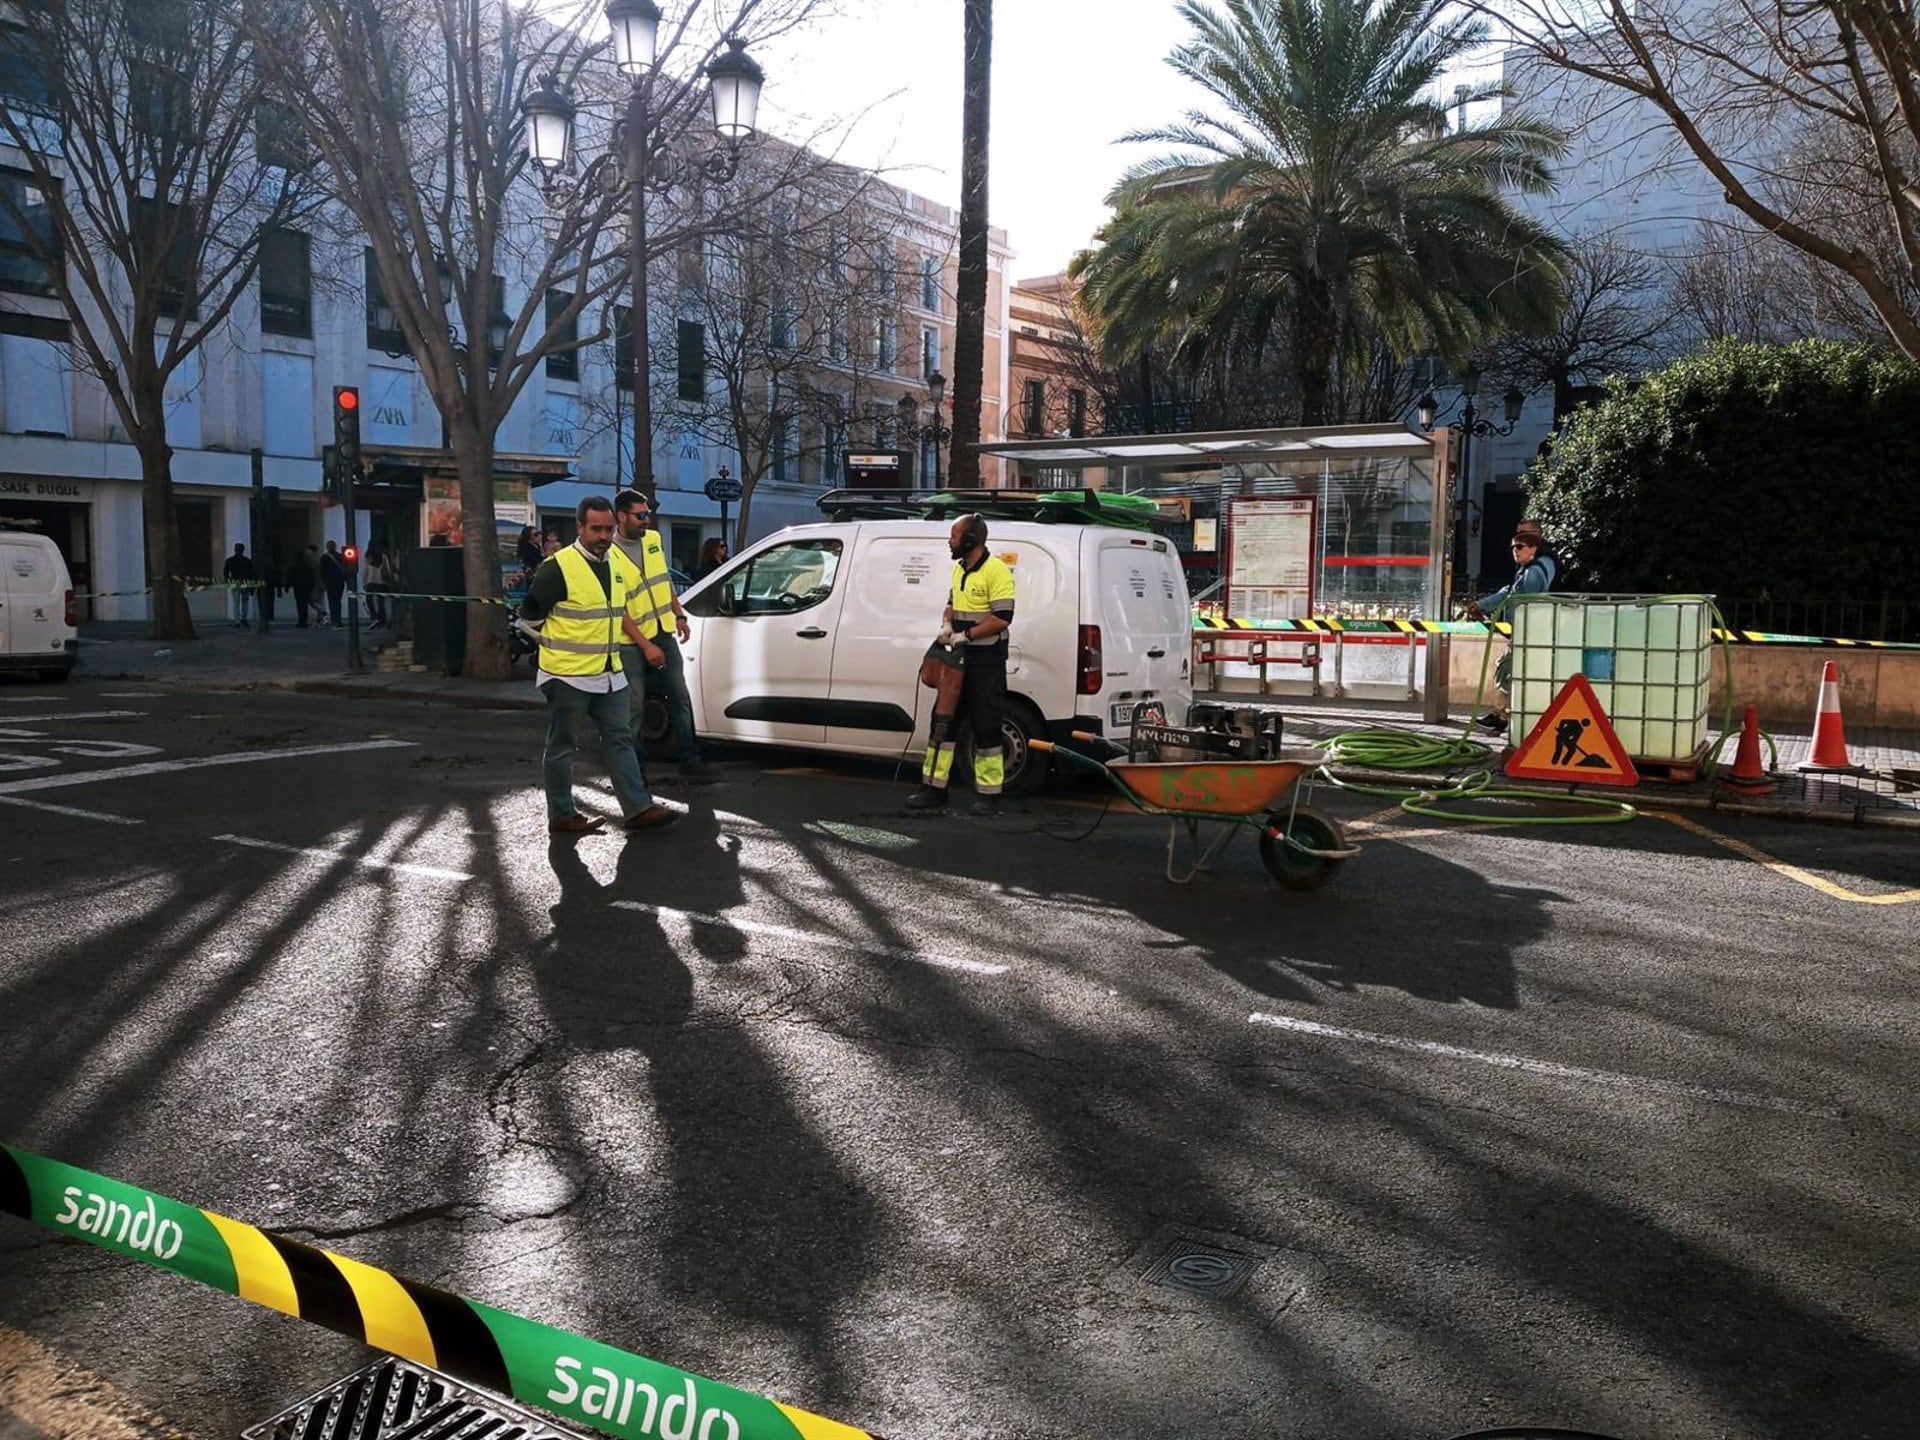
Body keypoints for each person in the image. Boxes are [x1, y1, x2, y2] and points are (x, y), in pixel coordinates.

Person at [520, 496, 678, 835]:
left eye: (607, 529)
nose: (603, 535)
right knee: (563, 744)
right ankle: (562, 814)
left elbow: (616, 612)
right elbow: (528, 619)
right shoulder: (558, 566)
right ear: (580, 528)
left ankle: (638, 808)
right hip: (568, 675)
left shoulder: (614, 565)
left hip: (609, 672)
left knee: (620, 738)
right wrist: (553, 651)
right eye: (596, 529)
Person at [906, 513, 1016, 816]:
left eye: (954, 535)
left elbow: (1002, 618)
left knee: (986, 727)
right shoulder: (959, 569)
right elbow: (952, 604)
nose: (950, 540)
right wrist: (946, 624)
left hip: (985, 663)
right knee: (943, 723)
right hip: (957, 660)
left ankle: (990, 797)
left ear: (970, 540)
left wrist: (965, 635)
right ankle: (933, 790)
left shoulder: (997, 572)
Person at [613, 489, 719, 781]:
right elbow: (617, 608)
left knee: (680, 697)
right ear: (622, 516)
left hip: (663, 631)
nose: (647, 520)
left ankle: (689, 759)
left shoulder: (653, 540)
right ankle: (636, 769)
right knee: (634, 707)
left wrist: (679, 614)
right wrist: (645, 645)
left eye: (648, 514)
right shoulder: (609, 555)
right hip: (632, 643)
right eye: (641, 515)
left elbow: (664, 581)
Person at [1473, 518, 1558, 734]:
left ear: (1535, 542)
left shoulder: (1537, 568)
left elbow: (1519, 597)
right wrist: (1483, 606)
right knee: (1508, 670)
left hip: (1531, 632)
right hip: (1526, 632)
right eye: (1515, 542)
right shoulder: (1528, 567)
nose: (1516, 547)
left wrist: (1488, 608)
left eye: (1521, 542)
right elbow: (1509, 591)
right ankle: (1502, 715)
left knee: (1508, 671)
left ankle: (1510, 719)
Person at [222, 543, 257, 628]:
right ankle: (243, 619)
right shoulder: (247, 561)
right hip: (245, 583)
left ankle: (238, 620)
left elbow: (226, 573)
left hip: (237, 582)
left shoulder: (230, 560)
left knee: (236, 602)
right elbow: (252, 574)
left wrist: (228, 581)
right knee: (244, 602)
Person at [320, 540, 348, 626]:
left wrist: (323, 582)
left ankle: (334, 619)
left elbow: (322, 571)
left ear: (327, 547)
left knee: (332, 601)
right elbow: (346, 569)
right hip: (340, 582)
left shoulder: (324, 557)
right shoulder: (340, 556)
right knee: (338, 601)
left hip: (330, 582)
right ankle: (338, 619)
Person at [363, 545, 391, 630]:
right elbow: (387, 569)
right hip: (382, 582)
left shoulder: (368, 557)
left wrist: (364, 582)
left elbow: (365, 570)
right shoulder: (383, 556)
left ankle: (374, 617)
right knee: (380, 602)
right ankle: (382, 620)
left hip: (370, 581)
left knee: (369, 600)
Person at [290, 544, 318, 628]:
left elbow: (291, 577)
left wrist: (288, 586)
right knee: (304, 605)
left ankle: (301, 621)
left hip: (298, 588)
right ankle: (304, 620)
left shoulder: (294, 567)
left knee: (300, 605)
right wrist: (311, 587)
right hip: (305, 588)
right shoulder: (307, 567)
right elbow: (311, 578)